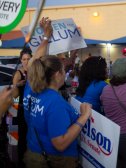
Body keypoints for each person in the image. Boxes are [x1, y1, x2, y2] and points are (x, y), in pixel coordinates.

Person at [22, 17, 91, 168]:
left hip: (34, 153)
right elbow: (60, 143)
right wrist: (84, 116)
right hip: (56, 160)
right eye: (63, 69)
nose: (65, 71)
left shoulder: (31, 87)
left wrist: (46, 36)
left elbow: (37, 61)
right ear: (57, 75)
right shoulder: (55, 103)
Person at [12, 47, 32, 167]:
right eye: (24, 59)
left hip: (32, 108)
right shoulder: (18, 73)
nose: (26, 61)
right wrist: (17, 86)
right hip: (20, 109)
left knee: (29, 134)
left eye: (28, 59)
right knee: (21, 135)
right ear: (21, 60)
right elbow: (13, 95)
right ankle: (20, 161)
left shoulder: (33, 72)